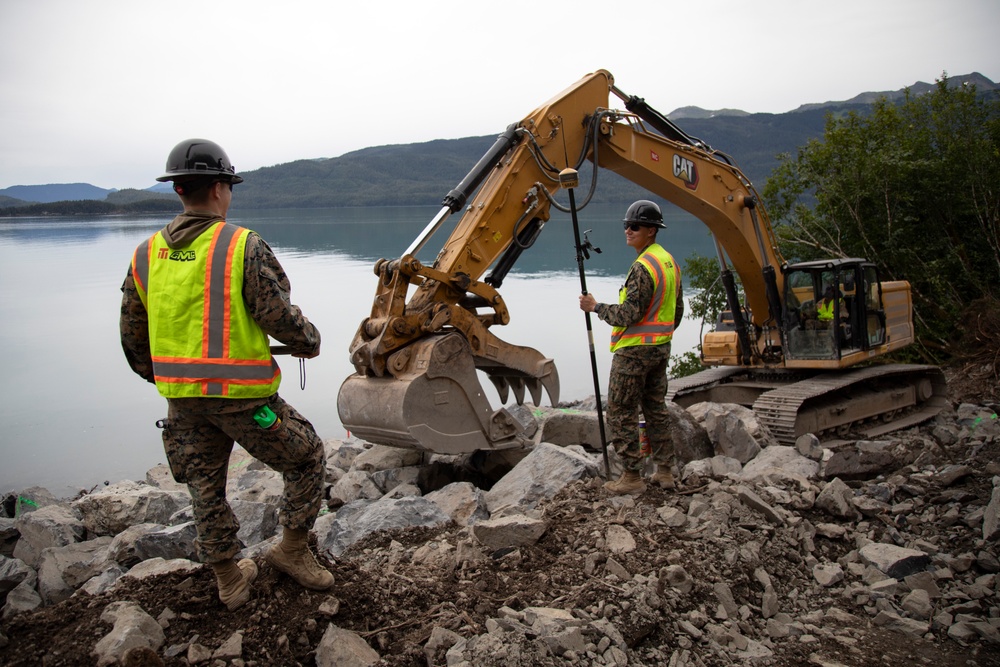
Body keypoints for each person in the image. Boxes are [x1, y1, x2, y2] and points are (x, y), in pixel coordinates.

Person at [119, 138, 333, 611]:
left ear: (178, 190)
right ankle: (291, 552)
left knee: (204, 487)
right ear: (219, 188)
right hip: (244, 401)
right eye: (228, 185)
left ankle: (229, 579)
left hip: (181, 401)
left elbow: (134, 340)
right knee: (306, 458)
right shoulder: (241, 245)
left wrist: (170, 378)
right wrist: (308, 342)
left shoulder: (144, 255)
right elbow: (276, 314)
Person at [579, 200, 683, 495]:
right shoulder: (669, 262)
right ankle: (664, 471)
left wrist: (595, 306)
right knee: (655, 408)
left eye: (634, 226)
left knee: (620, 411)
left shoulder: (643, 267)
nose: (628, 230)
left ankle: (632, 476)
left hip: (634, 352)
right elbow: (677, 312)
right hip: (660, 348)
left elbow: (628, 314)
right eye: (626, 224)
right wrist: (659, 334)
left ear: (651, 231)